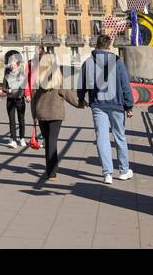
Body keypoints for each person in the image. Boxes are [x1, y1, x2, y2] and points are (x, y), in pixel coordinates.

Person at [78, 34, 135, 184]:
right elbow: (125, 85)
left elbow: (81, 84)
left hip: (97, 105)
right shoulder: (117, 61)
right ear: (109, 46)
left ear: (96, 45)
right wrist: (129, 105)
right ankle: (124, 171)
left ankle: (107, 174)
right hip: (116, 104)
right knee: (120, 136)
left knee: (102, 138)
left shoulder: (88, 63)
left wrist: (81, 99)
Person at [30, 54, 83, 179]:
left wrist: (34, 115)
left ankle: (50, 169)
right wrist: (80, 104)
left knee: (47, 141)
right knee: (52, 141)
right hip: (55, 114)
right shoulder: (58, 78)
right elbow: (68, 94)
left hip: (41, 114)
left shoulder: (37, 80)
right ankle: (52, 171)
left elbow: (33, 99)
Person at [2, 51, 28, 149]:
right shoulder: (7, 76)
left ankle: (22, 138)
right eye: (11, 65)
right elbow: (3, 88)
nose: (11, 67)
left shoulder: (22, 75)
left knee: (21, 120)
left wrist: (27, 96)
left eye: (13, 65)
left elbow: (26, 87)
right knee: (12, 120)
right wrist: (7, 90)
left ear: (18, 66)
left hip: (20, 100)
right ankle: (13, 140)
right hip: (10, 100)